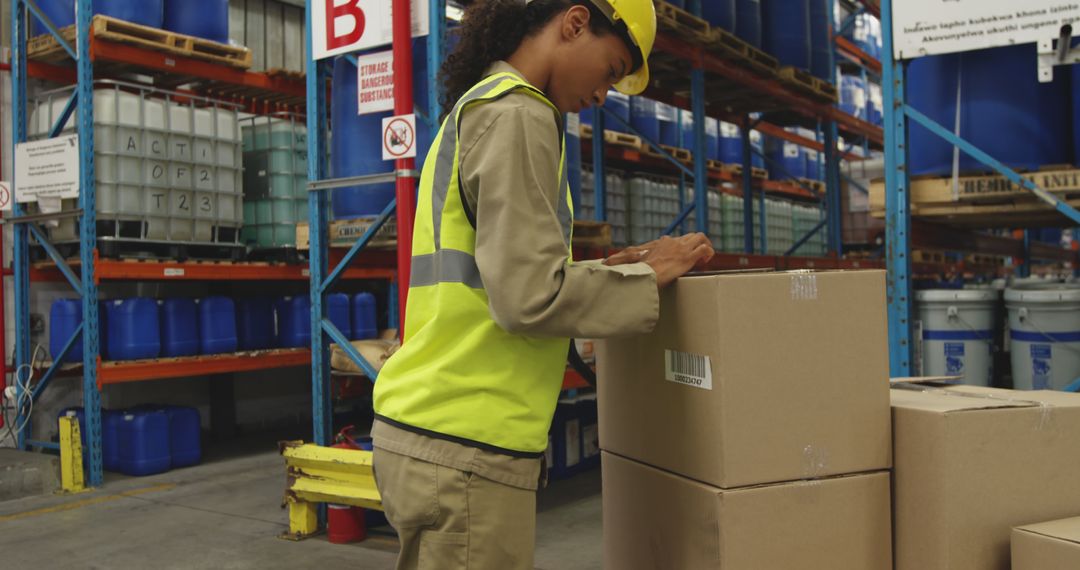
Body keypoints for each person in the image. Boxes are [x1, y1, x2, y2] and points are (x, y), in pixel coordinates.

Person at [371, 1, 714, 568]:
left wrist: (615, 267)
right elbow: (528, 297)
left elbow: (501, 274)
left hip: (437, 432)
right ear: (575, 23)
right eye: (611, 69)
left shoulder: (480, 105)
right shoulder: (518, 115)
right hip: (465, 441)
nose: (604, 95)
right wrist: (643, 278)